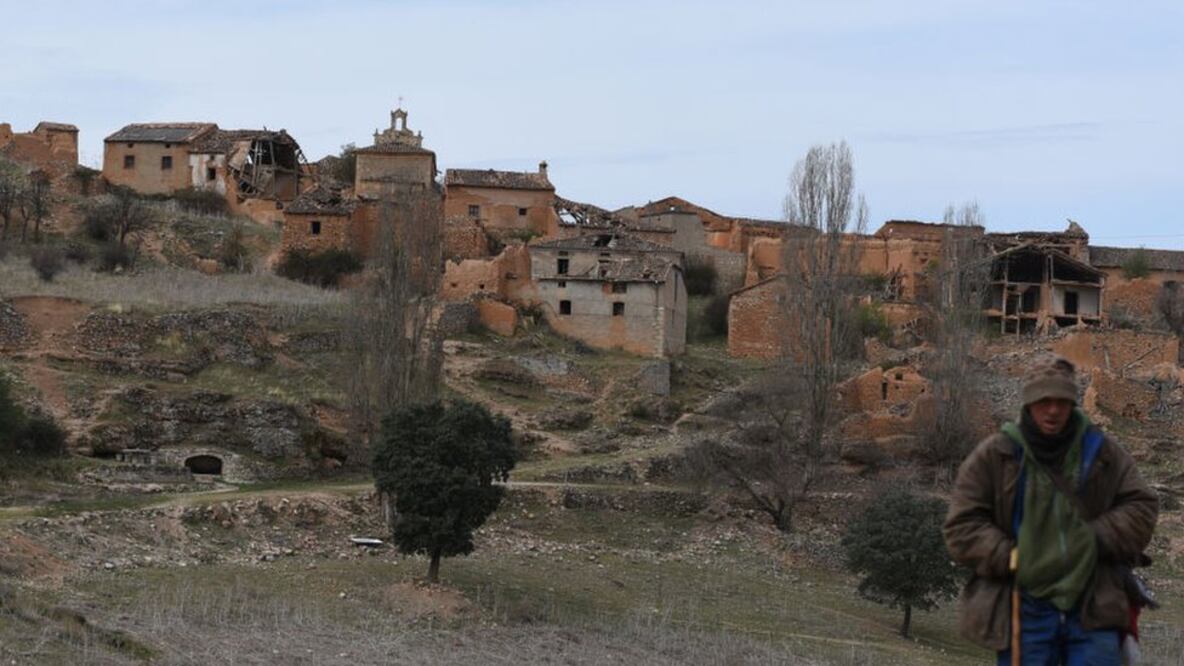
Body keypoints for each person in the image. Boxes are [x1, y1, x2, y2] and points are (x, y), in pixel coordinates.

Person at [944, 355, 1158, 665]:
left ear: (1072, 403)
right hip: (1023, 606)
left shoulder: (1102, 453)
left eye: (1061, 401)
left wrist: (1092, 540)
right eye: (1044, 401)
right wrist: (1010, 556)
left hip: (1094, 601)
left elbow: (1141, 506)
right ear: (1029, 404)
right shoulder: (997, 455)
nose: (1053, 410)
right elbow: (962, 525)